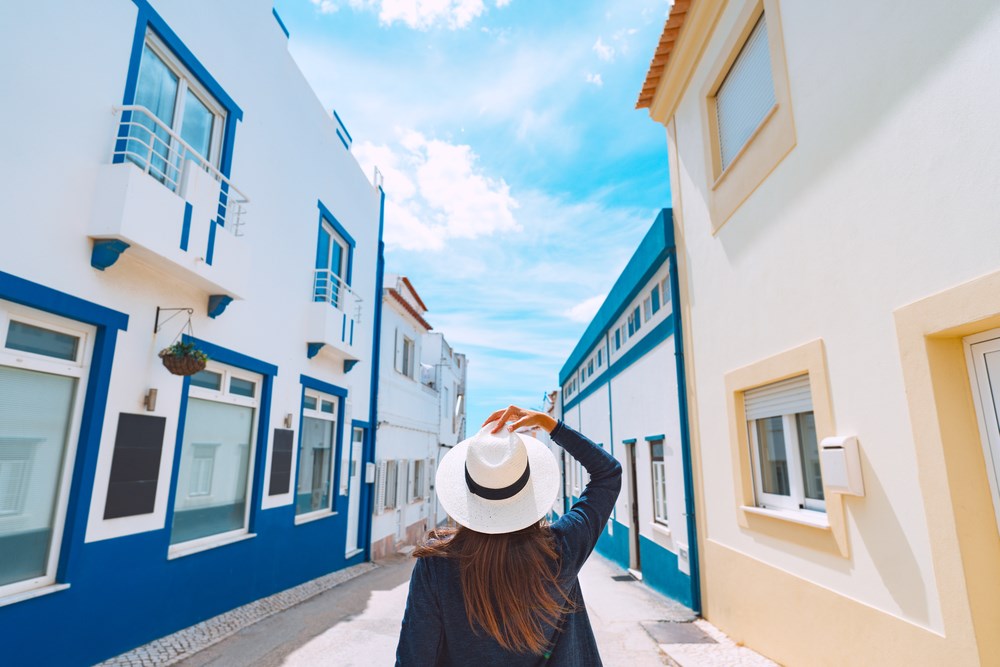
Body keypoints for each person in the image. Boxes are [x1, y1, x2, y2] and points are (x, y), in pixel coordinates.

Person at [395, 404, 623, 666]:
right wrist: (550, 425)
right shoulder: (562, 549)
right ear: (528, 488)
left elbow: (414, 658)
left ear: (468, 492)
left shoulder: (436, 565)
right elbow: (608, 474)